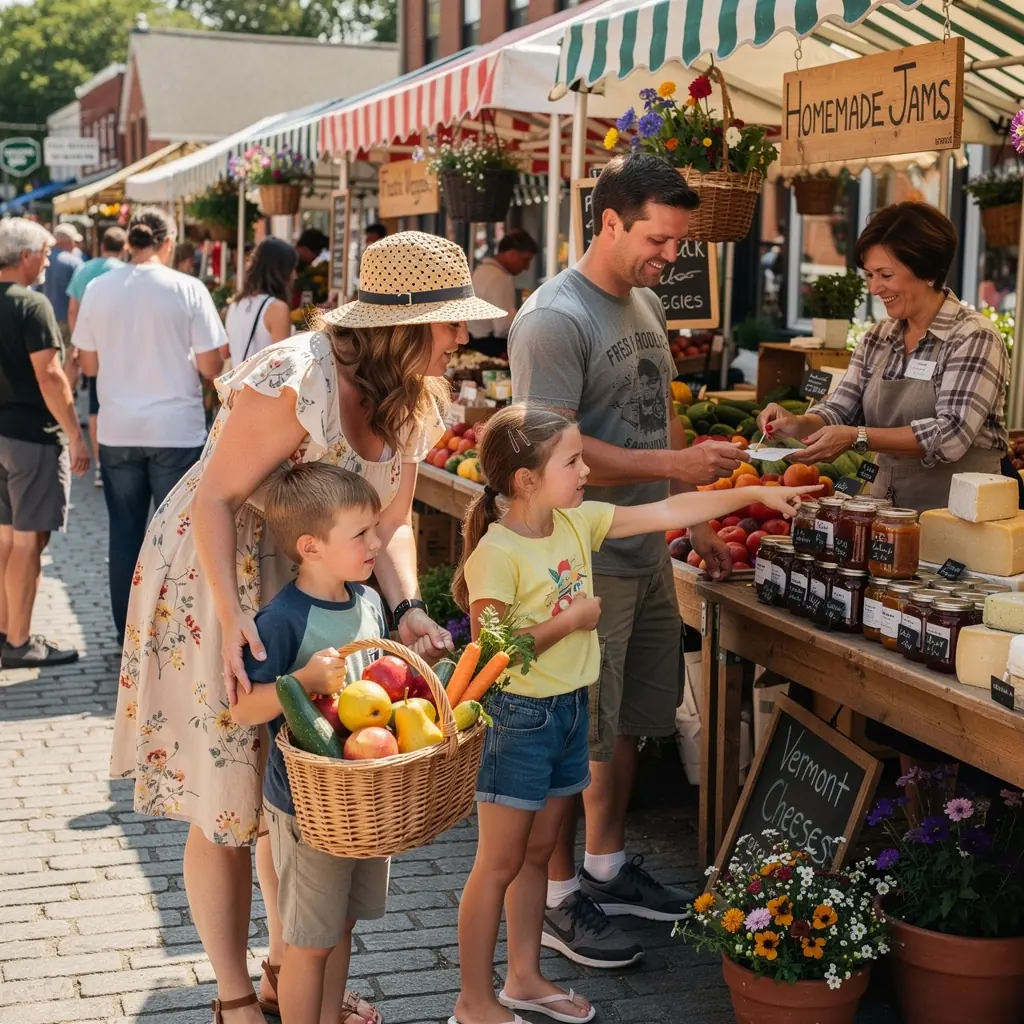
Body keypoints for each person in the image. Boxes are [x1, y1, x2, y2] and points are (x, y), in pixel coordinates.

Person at [108, 231, 505, 1024]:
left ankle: (294, 973)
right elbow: (218, 498)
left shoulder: (413, 400)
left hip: (322, 586)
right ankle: (233, 996)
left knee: (302, 792)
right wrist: (232, 621)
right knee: (229, 798)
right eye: (451, 321)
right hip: (222, 576)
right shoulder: (298, 377)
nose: (465, 335)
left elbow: (390, 524)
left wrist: (409, 604)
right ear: (404, 324)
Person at [448, 405, 815, 1024]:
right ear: (526, 481)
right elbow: (494, 645)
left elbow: (667, 512)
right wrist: (572, 620)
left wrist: (756, 490)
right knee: (499, 863)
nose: (587, 469)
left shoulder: (575, 521)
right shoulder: (497, 551)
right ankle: (473, 1001)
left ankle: (524, 977)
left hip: (568, 709)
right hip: (519, 720)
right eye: (573, 461)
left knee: (538, 854)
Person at [508, 152, 750, 968]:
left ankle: (606, 868)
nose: (670, 258)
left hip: (645, 550)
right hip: (579, 562)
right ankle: (555, 900)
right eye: (658, 239)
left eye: (680, 244)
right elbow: (549, 452)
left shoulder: (643, 301)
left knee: (624, 729)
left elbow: (662, 416)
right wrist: (677, 476)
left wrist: (701, 526)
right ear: (607, 222)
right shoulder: (553, 318)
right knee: (576, 736)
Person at [230, 462, 395, 1024]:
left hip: (362, 803)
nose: (377, 542)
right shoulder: (281, 621)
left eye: (375, 530)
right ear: (311, 547)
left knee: (340, 926)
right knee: (308, 942)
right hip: (308, 809)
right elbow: (242, 706)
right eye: (361, 534)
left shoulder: (369, 603)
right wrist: (298, 684)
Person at [757, 202, 1010, 513]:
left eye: (885, 274)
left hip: (959, 516)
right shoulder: (879, 337)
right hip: (885, 511)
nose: (875, 288)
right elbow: (842, 407)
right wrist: (797, 424)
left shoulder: (972, 336)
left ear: (928, 271)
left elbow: (951, 435)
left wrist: (857, 437)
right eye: (869, 275)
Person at [73, 207, 226, 644]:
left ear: (129, 243)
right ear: (168, 241)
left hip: (119, 429)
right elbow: (211, 364)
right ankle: (176, 632)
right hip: (175, 429)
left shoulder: (100, 287)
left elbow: (87, 362)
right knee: (179, 539)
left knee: (124, 534)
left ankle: (129, 637)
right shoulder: (187, 287)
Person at [0, 219, 90, 667]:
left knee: (4, 539)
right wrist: (76, 433)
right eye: (45, 252)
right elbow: (50, 375)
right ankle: (19, 642)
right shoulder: (30, 305)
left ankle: (5, 631)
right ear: (25, 256)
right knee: (27, 542)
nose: (49, 260)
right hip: (30, 437)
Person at [66, 226, 128, 488]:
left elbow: (73, 309)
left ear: (101, 245)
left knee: (94, 405)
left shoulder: (85, 270)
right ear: (124, 248)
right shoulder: (125, 273)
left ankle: (101, 464)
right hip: (121, 350)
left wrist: (78, 340)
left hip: (93, 347)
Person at [223, 238, 297, 367]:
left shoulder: (235, 304)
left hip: (239, 385)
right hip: (266, 387)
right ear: (281, 270)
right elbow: (281, 365)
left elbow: (224, 352)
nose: (295, 275)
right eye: (292, 268)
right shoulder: (277, 308)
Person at [468, 230, 539, 358]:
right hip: (489, 348)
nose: (526, 267)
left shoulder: (480, 270)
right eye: (525, 260)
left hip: (473, 345)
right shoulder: (499, 277)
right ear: (511, 254)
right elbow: (503, 327)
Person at [39, 223, 83, 341]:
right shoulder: (74, 262)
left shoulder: (40, 260)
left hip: (44, 317)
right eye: (72, 241)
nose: (74, 245)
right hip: (67, 320)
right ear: (61, 241)